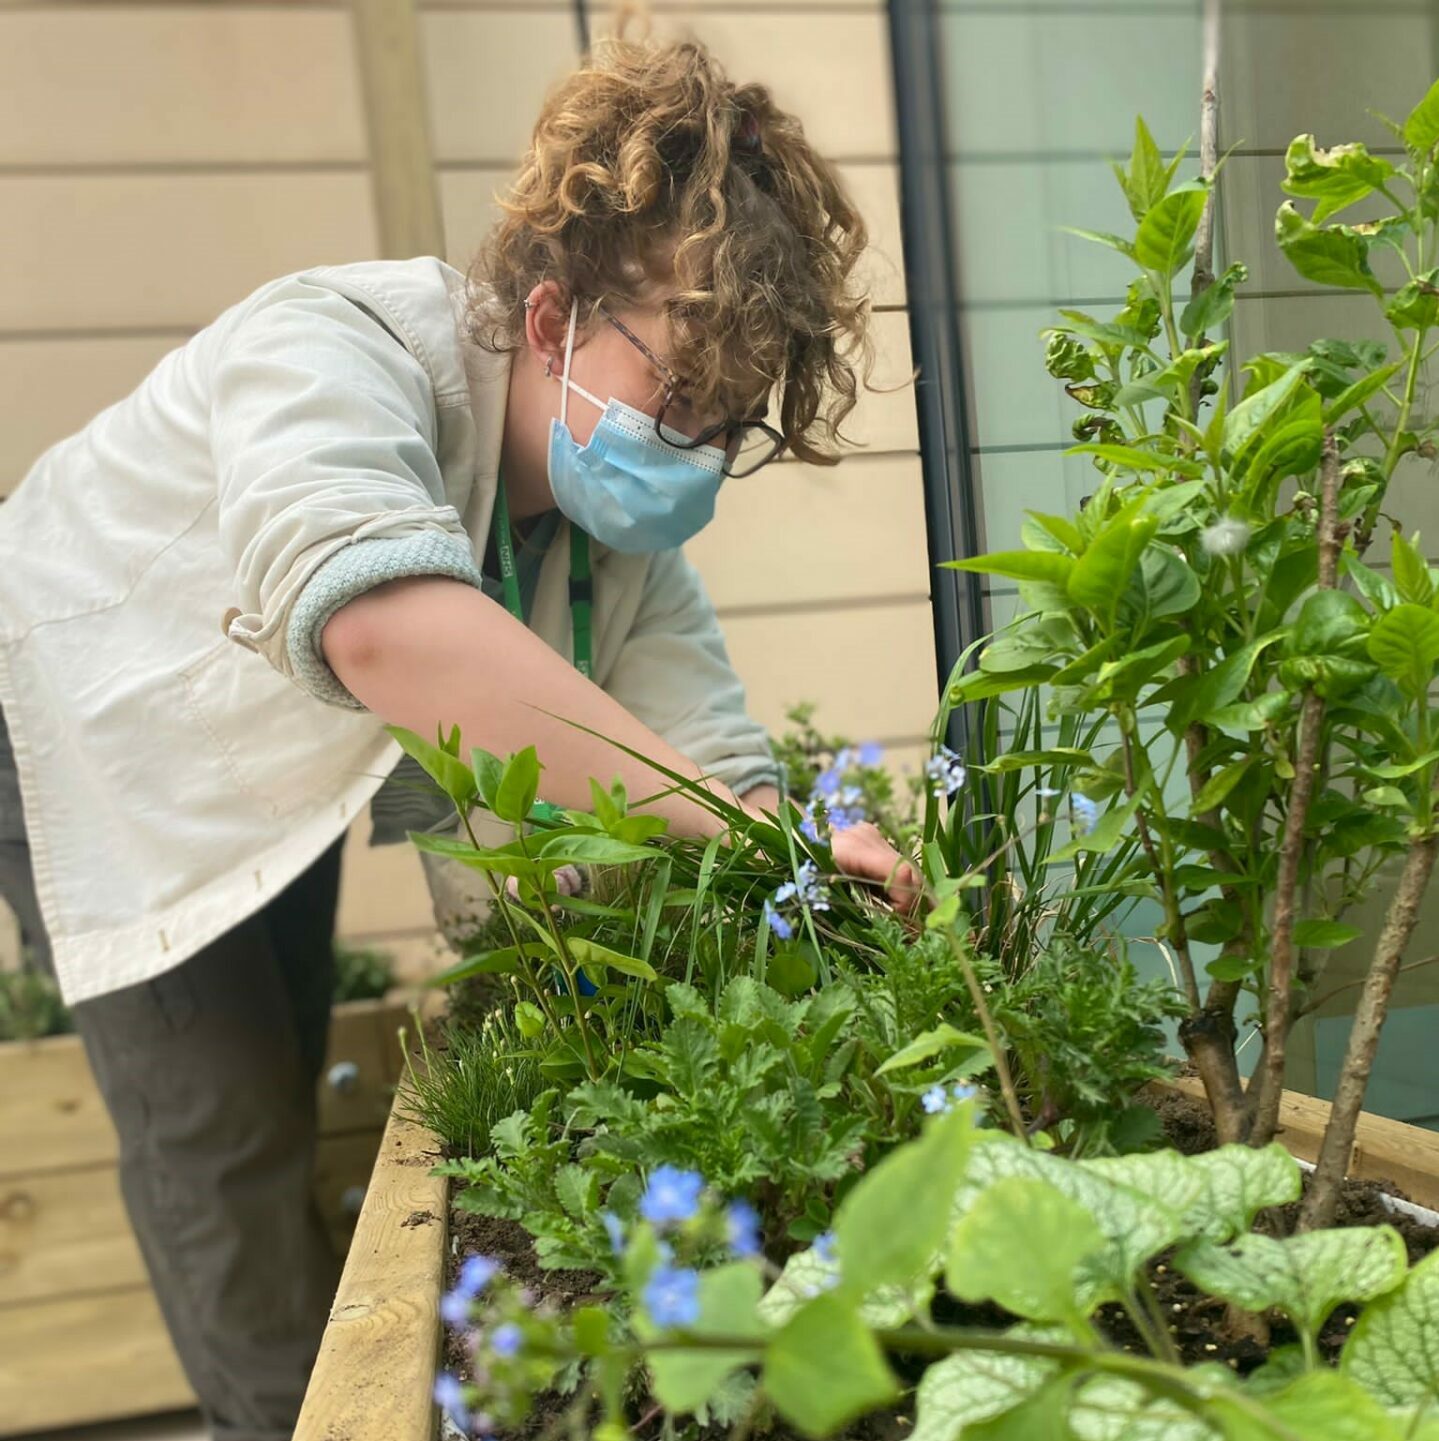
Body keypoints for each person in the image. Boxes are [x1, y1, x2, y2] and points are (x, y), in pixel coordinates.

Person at [0, 35, 917, 1441]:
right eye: (677, 393)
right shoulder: (338, 344)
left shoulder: (609, 530)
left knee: (289, 1055)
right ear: (550, 318)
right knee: (222, 1128)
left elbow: (699, 740)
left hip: (270, 762)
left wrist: (800, 846)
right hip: (87, 724)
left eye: (724, 425)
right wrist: (743, 828)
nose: (688, 452)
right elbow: (383, 630)